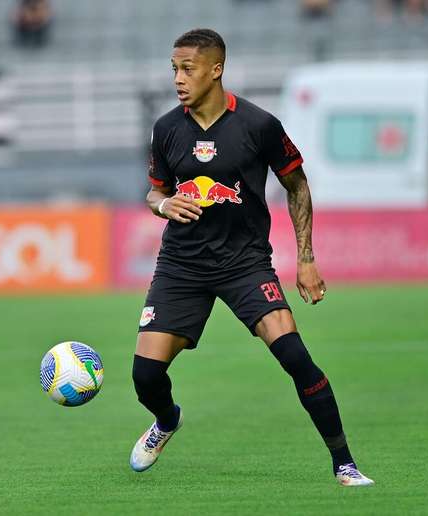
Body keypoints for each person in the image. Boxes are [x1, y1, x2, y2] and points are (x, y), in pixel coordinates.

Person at [129, 28, 374, 487]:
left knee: (296, 357)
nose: (178, 79)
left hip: (245, 264)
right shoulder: (166, 128)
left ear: (216, 69)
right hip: (182, 265)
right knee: (145, 375)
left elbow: (296, 185)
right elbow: (155, 191)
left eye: (188, 69)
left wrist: (306, 257)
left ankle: (344, 463)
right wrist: (163, 205)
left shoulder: (258, 125)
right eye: (174, 69)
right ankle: (166, 421)